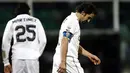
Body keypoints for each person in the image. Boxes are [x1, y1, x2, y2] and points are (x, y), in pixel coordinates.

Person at [52, 3, 101, 73]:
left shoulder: (71, 20)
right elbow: (64, 40)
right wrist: (63, 62)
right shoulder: (73, 21)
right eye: (89, 17)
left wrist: (89, 55)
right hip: (68, 59)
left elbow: (73, 45)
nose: (88, 20)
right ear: (83, 13)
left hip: (59, 57)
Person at [2, 3, 47, 73]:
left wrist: (6, 62)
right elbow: (43, 41)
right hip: (32, 57)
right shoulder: (36, 21)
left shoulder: (11, 22)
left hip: (17, 57)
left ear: (16, 11)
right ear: (28, 11)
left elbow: (5, 42)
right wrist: (37, 54)